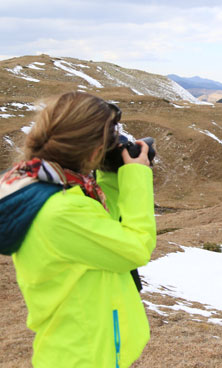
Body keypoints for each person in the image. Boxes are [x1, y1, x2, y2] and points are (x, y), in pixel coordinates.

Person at [0, 91, 156, 367]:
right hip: (83, 357)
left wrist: (109, 173)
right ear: (95, 150)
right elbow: (135, 247)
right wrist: (137, 175)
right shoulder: (61, 212)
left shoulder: (50, 190)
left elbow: (104, 230)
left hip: (83, 350)